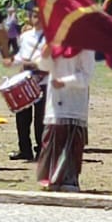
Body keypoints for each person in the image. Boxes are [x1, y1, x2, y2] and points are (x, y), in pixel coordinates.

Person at [36, 45, 95, 192]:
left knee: (71, 139)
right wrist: (45, 55)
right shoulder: (55, 43)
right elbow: (44, 66)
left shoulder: (85, 46)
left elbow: (86, 76)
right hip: (55, 101)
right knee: (52, 138)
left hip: (74, 102)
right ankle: (50, 179)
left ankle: (69, 180)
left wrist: (65, 81)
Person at [4, 5, 47, 161]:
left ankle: (41, 150)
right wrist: (12, 62)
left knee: (40, 119)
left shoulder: (51, 37)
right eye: (33, 15)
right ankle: (24, 149)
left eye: (39, 15)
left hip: (44, 81)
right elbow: (21, 57)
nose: (36, 18)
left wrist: (41, 70)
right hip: (26, 80)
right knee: (22, 117)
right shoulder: (25, 36)